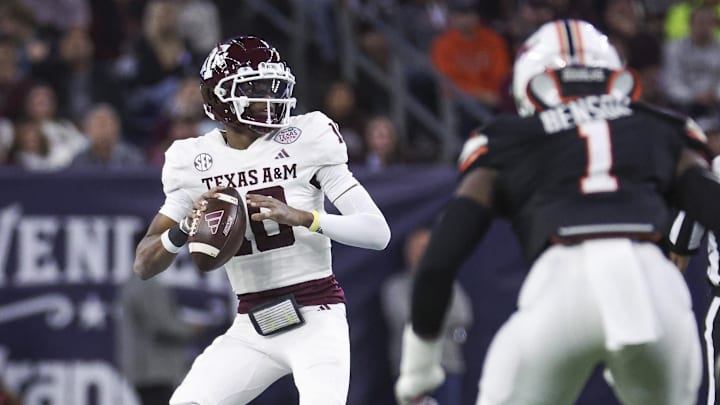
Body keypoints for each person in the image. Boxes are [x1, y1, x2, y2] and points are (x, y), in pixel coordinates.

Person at [394, 19, 720, 405]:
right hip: (657, 292)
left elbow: (437, 264)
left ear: (530, 82)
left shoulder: (507, 139)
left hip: (562, 287)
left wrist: (419, 370)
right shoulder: (663, 128)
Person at [133, 35, 391, 405]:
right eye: (254, 89)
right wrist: (183, 228)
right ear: (219, 98)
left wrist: (305, 217)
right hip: (253, 322)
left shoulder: (308, 137)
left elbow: (377, 231)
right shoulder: (193, 160)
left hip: (317, 312)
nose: (269, 99)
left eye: (272, 87)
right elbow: (143, 263)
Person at [381, 227, 472, 405]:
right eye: (417, 248)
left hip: (448, 367)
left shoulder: (448, 284)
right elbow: (405, 319)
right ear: (408, 253)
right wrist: (440, 321)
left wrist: (428, 321)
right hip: (410, 370)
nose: (421, 253)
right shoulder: (395, 287)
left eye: (427, 247)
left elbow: (463, 317)